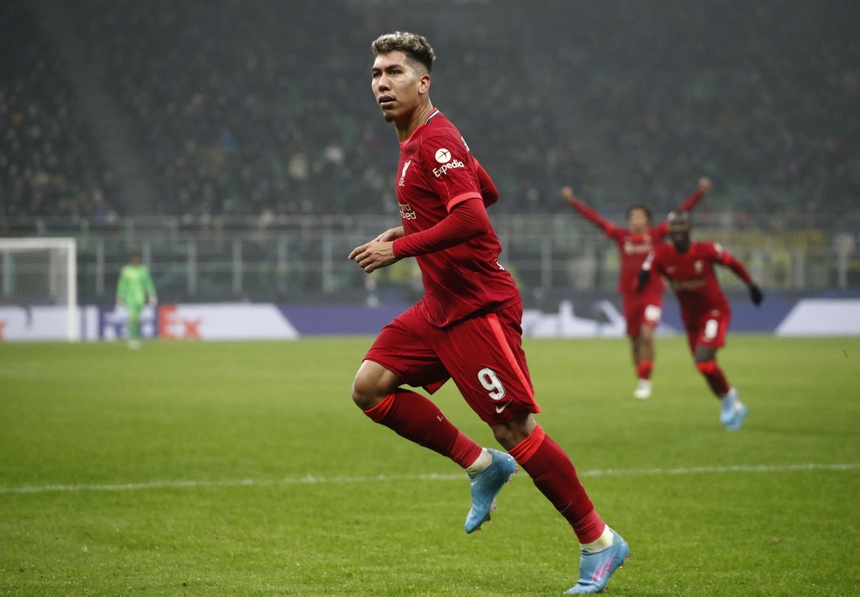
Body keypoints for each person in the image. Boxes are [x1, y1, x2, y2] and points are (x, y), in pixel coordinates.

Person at [348, 31, 629, 595]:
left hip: (479, 307)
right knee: (370, 389)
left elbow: (475, 217)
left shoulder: (435, 140)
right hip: (440, 304)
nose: (382, 83)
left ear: (423, 82)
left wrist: (400, 248)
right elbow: (487, 191)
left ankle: (599, 541)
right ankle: (483, 465)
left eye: (395, 72)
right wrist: (412, 226)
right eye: (376, 73)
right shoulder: (419, 140)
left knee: (514, 427)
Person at [561, 178, 711, 399]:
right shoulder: (622, 237)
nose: (634, 220)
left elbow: (680, 213)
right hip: (630, 295)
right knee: (634, 340)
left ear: (647, 219)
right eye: (632, 217)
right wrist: (573, 201)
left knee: (647, 335)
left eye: (639, 216)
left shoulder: (657, 235)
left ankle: (646, 381)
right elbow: (596, 220)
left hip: (652, 292)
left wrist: (699, 193)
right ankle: (641, 377)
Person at [638, 210, 763, 430]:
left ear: (689, 228)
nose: (677, 229)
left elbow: (732, 263)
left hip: (714, 311)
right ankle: (732, 401)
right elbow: (647, 266)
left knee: (704, 359)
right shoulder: (662, 254)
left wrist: (750, 285)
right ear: (669, 230)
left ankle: (729, 398)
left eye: (681, 225)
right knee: (703, 365)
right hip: (690, 317)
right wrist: (643, 277)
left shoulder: (706, 250)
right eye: (673, 226)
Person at [115, 252, 157, 349]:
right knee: (132, 317)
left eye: (137, 258)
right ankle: (132, 339)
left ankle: (135, 337)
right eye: (134, 258)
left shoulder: (143, 270)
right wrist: (120, 296)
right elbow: (122, 284)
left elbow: (148, 282)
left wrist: (151, 294)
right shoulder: (126, 270)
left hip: (140, 298)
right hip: (129, 297)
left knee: (136, 319)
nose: (135, 260)